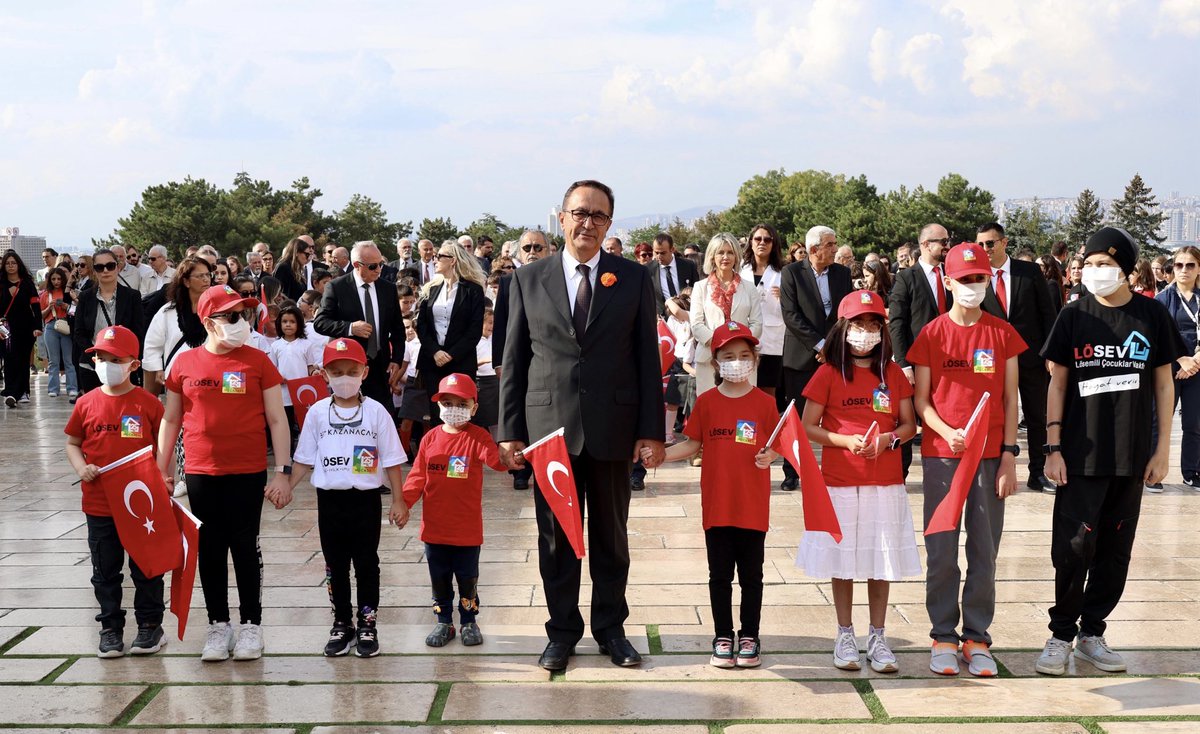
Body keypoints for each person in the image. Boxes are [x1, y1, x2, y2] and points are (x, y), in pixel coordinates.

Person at [498, 179, 665, 672]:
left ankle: (611, 629)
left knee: (612, 537)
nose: (587, 223)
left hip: (613, 429)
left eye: (598, 215)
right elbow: (514, 359)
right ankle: (562, 631)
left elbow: (644, 360)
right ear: (562, 218)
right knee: (556, 538)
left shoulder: (632, 279)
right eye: (579, 213)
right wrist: (510, 430)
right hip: (550, 432)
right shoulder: (528, 279)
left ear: (609, 223)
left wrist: (650, 430)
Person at [1037, 227, 1184, 676]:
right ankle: (1061, 633)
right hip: (1080, 455)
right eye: (1090, 262)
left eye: (1105, 264)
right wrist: (1053, 447)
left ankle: (1092, 632)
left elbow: (1164, 384)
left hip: (1132, 455)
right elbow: (1057, 383)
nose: (1095, 271)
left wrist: (1162, 451)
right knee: (1073, 546)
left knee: (1115, 548)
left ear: (1126, 269)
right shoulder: (1074, 316)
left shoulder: (1151, 316)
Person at [157, 284, 293, 662]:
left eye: (243, 315)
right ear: (208, 321)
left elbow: (277, 419)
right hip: (200, 471)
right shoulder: (183, 365)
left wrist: (282, 472)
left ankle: (251, 625)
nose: (240, 323)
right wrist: (160, 470)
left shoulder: (258, 361)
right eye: (231, 316)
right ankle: (218, 625)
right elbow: (171, 419)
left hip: (247, 471)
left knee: (245, 546)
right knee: (211, 549)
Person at [907, 242, 1025, 678]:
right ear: (948, 281)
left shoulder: (1001, 333)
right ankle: (942, 635)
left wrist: (1010, 456)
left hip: (991, 456)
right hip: (942, 457)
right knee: (941, 550)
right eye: (965, 279)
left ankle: (976, 637)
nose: (973, 286)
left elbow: (1010, 399)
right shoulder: (932, 334)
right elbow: (921, 400)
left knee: (984, 549)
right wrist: (945, 431)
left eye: (980, 279)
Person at [796, 290, 920, 673]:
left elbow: (909, 425)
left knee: (880, 559)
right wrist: (845, 441)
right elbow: (807, 427)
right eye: (858, 324)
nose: (866, 332)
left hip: (885, 481)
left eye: (873, 324)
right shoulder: (828, 373)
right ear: (843, 329)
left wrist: (888, 440)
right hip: (839, 481)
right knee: (844, 559)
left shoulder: (893, 374)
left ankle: (878, 636)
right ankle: (845, 633)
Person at [661, 321, 779, 668]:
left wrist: (772, 455)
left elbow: (781, 445)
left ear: (755, 359)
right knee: (719, 575)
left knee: (752, 576)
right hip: (717, 505)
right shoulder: (708, 402)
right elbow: (693, 444)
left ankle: (750, 635)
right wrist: (660, 455)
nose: (737, 361)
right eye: (729, 356)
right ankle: (723, 635)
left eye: (744, 355)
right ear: (716, 362)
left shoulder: (764, 403)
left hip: (753, 507)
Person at [280, 337, 408, 657]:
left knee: (367, 563)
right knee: (335, 565)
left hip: (365, 501)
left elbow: (392, 458)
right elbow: (304, 458)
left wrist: (398, 499)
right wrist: (287, 486)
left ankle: (367, 623)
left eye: (352, 370)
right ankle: (341, 623)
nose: (345, 378)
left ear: (364, 372)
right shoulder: (317, 413)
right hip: (330, 501)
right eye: (337, 371)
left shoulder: (376, 412)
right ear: (324, 374)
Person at [64, 325, 167, 658]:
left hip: (142, 506)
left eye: (115, 359)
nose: (107, 364)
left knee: (145, 567)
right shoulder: (86, 404)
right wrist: (81, 468)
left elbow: (163, 447)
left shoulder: (148, 404)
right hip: (99, 504)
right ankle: (110, 628)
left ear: (133, 365)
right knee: (105, 570)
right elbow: (73, 444)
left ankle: (150, 626)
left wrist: (165, 477)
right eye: (101, 358)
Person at [400, 373, 505, 647]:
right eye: (447, 402)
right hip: (434, 530)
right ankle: (443, 622)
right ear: (438, 406)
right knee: (440, 581)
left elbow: (497, 461)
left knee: (468, 580)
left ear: (474, 407)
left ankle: (469, 621)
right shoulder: (430, 439)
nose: (453, 409)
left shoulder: (478, 437)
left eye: (461, 403)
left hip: (467, 532)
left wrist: (512, 455)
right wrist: (404, 504)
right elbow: (416, 477)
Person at [977, 222, 1058, 494]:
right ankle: (996, 469)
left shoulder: (1029, 272)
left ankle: (1037, 473)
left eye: (989, 243)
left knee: (1037, 417)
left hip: (1031, 358)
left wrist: (1049, 354)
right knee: (996, 416)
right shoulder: (976, 276)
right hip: (993, 361)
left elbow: (1048, 314)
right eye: (980, 244)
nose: (985, 249)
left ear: (1004, 242)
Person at [778, 225, 853, 490]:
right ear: (813, 250)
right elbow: (791, 315)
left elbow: (846, 313)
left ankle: (840, 466)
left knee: (838, 413)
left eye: (834, 244)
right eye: (830, 245)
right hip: (800, 356)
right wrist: (819, 345)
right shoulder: (790, 274)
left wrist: (831, 346)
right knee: (795, 416)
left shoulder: (843, 274)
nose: (835, 249)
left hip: (835, 355)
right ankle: (792, 471)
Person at [888, 224, 953, 478]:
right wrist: (904, 364)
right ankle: (899, 475)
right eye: (942, 241)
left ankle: (943, 469)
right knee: (907, 422)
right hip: (915, 364)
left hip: (949, 363)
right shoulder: (906, 277)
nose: (947, 245)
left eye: (948, 241)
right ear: (926, 244)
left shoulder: (953, 276)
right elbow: (897, 323)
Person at [314, 241, 406, 416]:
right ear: (357, 265)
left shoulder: (388, 289)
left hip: (380, 365)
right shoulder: (337, 287)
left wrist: (397, 359)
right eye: (373, 266)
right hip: (348, 365)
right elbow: (320, 322)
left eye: (381, 264)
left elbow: (397, 329)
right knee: (349, 414)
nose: (379, 269)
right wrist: (349, 328)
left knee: (382, 416)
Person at [493, 229, 547, 490]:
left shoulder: (557, 281)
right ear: (518, 254)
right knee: (518, 411)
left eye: (538, 247)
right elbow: (501, 325)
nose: (533, 253)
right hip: (517, 361)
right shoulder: (507, 283)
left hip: (546, 363)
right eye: (527, 248)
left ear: (548, 251)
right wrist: (499, 361)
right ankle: (520, 471)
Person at [416, 240, 486, 423]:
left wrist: (450, 354)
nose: (435, 259)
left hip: (461, 361)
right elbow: (421, 325)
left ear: (453, 260)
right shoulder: (430, 289)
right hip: (433, 362)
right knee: (437, 414)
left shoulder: (474, 291)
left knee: (462, 414)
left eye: (440, 256)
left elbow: (474, 330)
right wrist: (435, 352)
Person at [691, 233, 763, 396]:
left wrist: (737, 344)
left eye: (730, 252)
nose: (725, 257)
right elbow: (696, 325)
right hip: (709, 359)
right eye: (720, 252)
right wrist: (720, 344)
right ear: (712, 257)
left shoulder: (749, 288)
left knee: (743, 412)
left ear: (736, 256)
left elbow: (757, 324)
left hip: (743, 360)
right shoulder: (700, 287)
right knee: (711, 412)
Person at [1156, 245, 1200, 489]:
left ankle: (1192, 470)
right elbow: (1156, 336)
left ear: (1198, 268)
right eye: (1179, 265)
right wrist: (1181, 359)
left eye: (1190, 265)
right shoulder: (1162, 299)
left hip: (1197, 368)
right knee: (1160, 420)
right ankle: (1152, 472)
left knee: (1194, 423)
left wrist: (1195, 361)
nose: (1184, 270)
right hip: (1168, 367)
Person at [72, 250, 145, 396]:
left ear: (117, 267)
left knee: (125, 414)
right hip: (91, 366)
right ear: (95, 270)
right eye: (100, 267)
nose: (105, 270)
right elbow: (79, 333)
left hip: (123, 367)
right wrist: (97, 361)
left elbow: (138, 332)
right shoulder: (86, 297)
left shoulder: (132, 296)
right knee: (96, 415)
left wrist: (125, 361)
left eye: (110, 266)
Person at [741, 224, 785, 397]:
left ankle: (767, 424)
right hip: (744, 334)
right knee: (744, 387)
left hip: (772, 338)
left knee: (767, 391)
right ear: (751, 242)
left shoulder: (783, 272)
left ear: (774, 244)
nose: (762, 243)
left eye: (767, 239)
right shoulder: (740, 271)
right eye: (758, 239)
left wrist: (785, 297)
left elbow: (793, 306)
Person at [269, 302, 321, 439]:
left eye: (292, 322)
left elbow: (310, 366)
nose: (288, 325)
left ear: (299, 324)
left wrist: (314, 373)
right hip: (284, 393)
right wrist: (278, 378)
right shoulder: (275, 346)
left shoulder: (306, 345)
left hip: (303, 393)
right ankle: (288, 454)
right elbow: (272, 369)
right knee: (287, 425)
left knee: (305, 424)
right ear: (279, 324)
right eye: (284, 321)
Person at [1, 251, 41, 406]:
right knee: (9, 360)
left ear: (18, 265)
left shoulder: (27, 283)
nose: (11, 266)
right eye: (7, 263)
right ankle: (11, 392)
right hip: (5, 328)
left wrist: (38, 326)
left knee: (23, 360)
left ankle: (23, 392)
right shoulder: (1, 283)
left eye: (13, 263)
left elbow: (36, 307)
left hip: (26, 327)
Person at [38, 266, 78, 398]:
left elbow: (74, 310)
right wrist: (50, 308)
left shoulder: (68, 293)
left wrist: (65, 306)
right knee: (53, 361)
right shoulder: (45, 295)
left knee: (69, 360)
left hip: (66, 325)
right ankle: (53, 388)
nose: (56, 281)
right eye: (53, 279)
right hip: (50, 327)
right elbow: (41, 316)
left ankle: (72, 387)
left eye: (59, 279)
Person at [647, 233, 700, 316]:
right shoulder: (648, 270)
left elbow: (697, 291)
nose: (659, 256)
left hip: (687, 316)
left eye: (663, 253)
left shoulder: (688, 266)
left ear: (672, 249)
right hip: (664, 320)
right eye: (656, 252)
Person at [274, 237, 315, 302]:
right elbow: (278, 293)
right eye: (306, 254)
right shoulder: (283, 267)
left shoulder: (297, 269)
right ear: (296, 253)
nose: (308, 258)